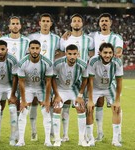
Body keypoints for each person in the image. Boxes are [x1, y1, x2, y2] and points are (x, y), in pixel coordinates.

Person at [89, 13, 123, 142]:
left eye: (106, 21)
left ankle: (118, 134)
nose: (104, 22)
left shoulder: (116, 37)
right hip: (97, 74)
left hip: (111, 76)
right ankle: (100, 133)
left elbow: (118, 51)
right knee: (98, 103)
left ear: (110, 23)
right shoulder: (93, 36)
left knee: (116, 105)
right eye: (102, 20)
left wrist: (110, 56)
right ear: (99, 23)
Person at [27, 13, 62, 141]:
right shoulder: (32, 37)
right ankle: (33, 132)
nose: (46, 23)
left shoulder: (57, 39)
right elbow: (28, 53)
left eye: (48, 21)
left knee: (51, 103)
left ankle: (52, 132)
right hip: (34, 73)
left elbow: (63, 52)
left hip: (50, 74)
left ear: (51, 24)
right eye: (44, 21)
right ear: (39, 23)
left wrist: (53, 61)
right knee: (34, 102)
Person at [60, 14, 94, 142]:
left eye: (79, 21)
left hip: (83, 76)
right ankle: (64, 134)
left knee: (83, 106)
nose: (76, 23)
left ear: (82, 23)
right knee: (66, 105)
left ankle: (85, 136)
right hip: (68, 76)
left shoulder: (89, 40)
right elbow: (59, 53)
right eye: (74, 21)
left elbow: (91, 54)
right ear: (70, 23)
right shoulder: (64, 39)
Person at [15, 40, 53, 147]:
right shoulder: (22, 63)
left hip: (41, 88)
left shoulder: (47, 62)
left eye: (37, 48)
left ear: (40, 49)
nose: (35, 51)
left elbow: (48, 82)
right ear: (29, 49)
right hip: (28, 88)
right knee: (23, 112)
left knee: (46, 112)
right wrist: (23, 100)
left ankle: (47, 140)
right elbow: (21, 83)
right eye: (33, 48)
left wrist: (46, 100)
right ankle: (21, 140)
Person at [0, 16, 30, 145]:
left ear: (20, 26)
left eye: (17, 23)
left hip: (20, 77)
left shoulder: (27, 41)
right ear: (9, 26)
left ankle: (16, 134)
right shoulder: (3, 39)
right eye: (13, 24)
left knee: (17, 106)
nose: (15, 26)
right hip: (4, 77)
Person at [52, 44, 90, 147]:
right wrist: (56, 95)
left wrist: (80, 95)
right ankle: (57, 139)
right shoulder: (58, 63)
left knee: (81, 109)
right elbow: (53, 79)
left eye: (74, 54)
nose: (72, 56)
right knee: (56, 108)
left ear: (78, 54)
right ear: (65, 54)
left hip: (74, 89)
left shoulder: (83, 64)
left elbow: (85, 79)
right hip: (60, 90)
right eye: (70, 54)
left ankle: (82, 140)